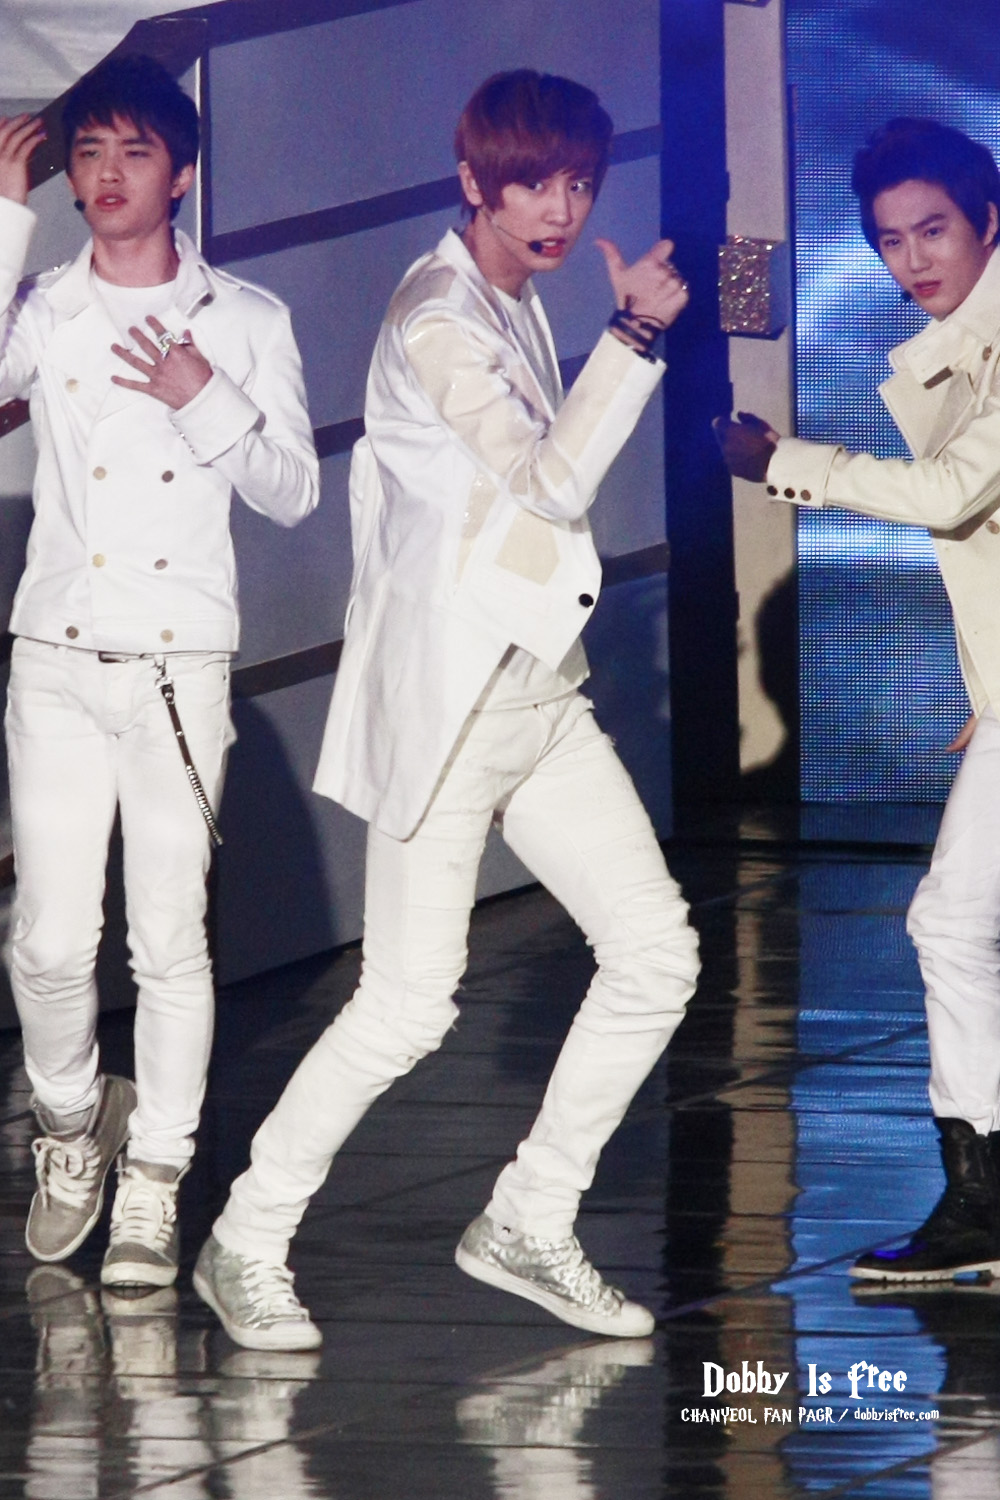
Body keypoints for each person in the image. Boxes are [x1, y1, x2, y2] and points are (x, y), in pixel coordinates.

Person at [194, 68, 700, 1350]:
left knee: (657, 953)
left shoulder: (510, 296)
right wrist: (634, 339)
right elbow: (548, 483)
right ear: (473, 181)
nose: (559, 208)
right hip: (451, 708)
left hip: (535, 689)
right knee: (408, 1005)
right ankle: (245, 1238)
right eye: (531, 183)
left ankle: (530, 1216)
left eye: (576, 183)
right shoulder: (437, 315)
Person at [0, 56, 318, 1289]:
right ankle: (73, 1124)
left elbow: (292, 493)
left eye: (133, 152)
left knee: (169, 940)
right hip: (57, 653)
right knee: (45, 942)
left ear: (179, 173)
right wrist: (4, 218)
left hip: (180, 660)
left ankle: (157, 1178)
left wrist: (206, 397)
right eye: (87, 153)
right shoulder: (45, 307)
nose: (107, 174)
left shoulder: (246, 318)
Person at [716, 117, 1000, 1281]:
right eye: (890, 240)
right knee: (950, 923)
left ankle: (982, 1202)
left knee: (952, 923)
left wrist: (783, 462)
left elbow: (951, 493)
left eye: (933, 229)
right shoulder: (955, 348)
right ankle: (980, 1199)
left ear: (989, 221)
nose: (912, 259)